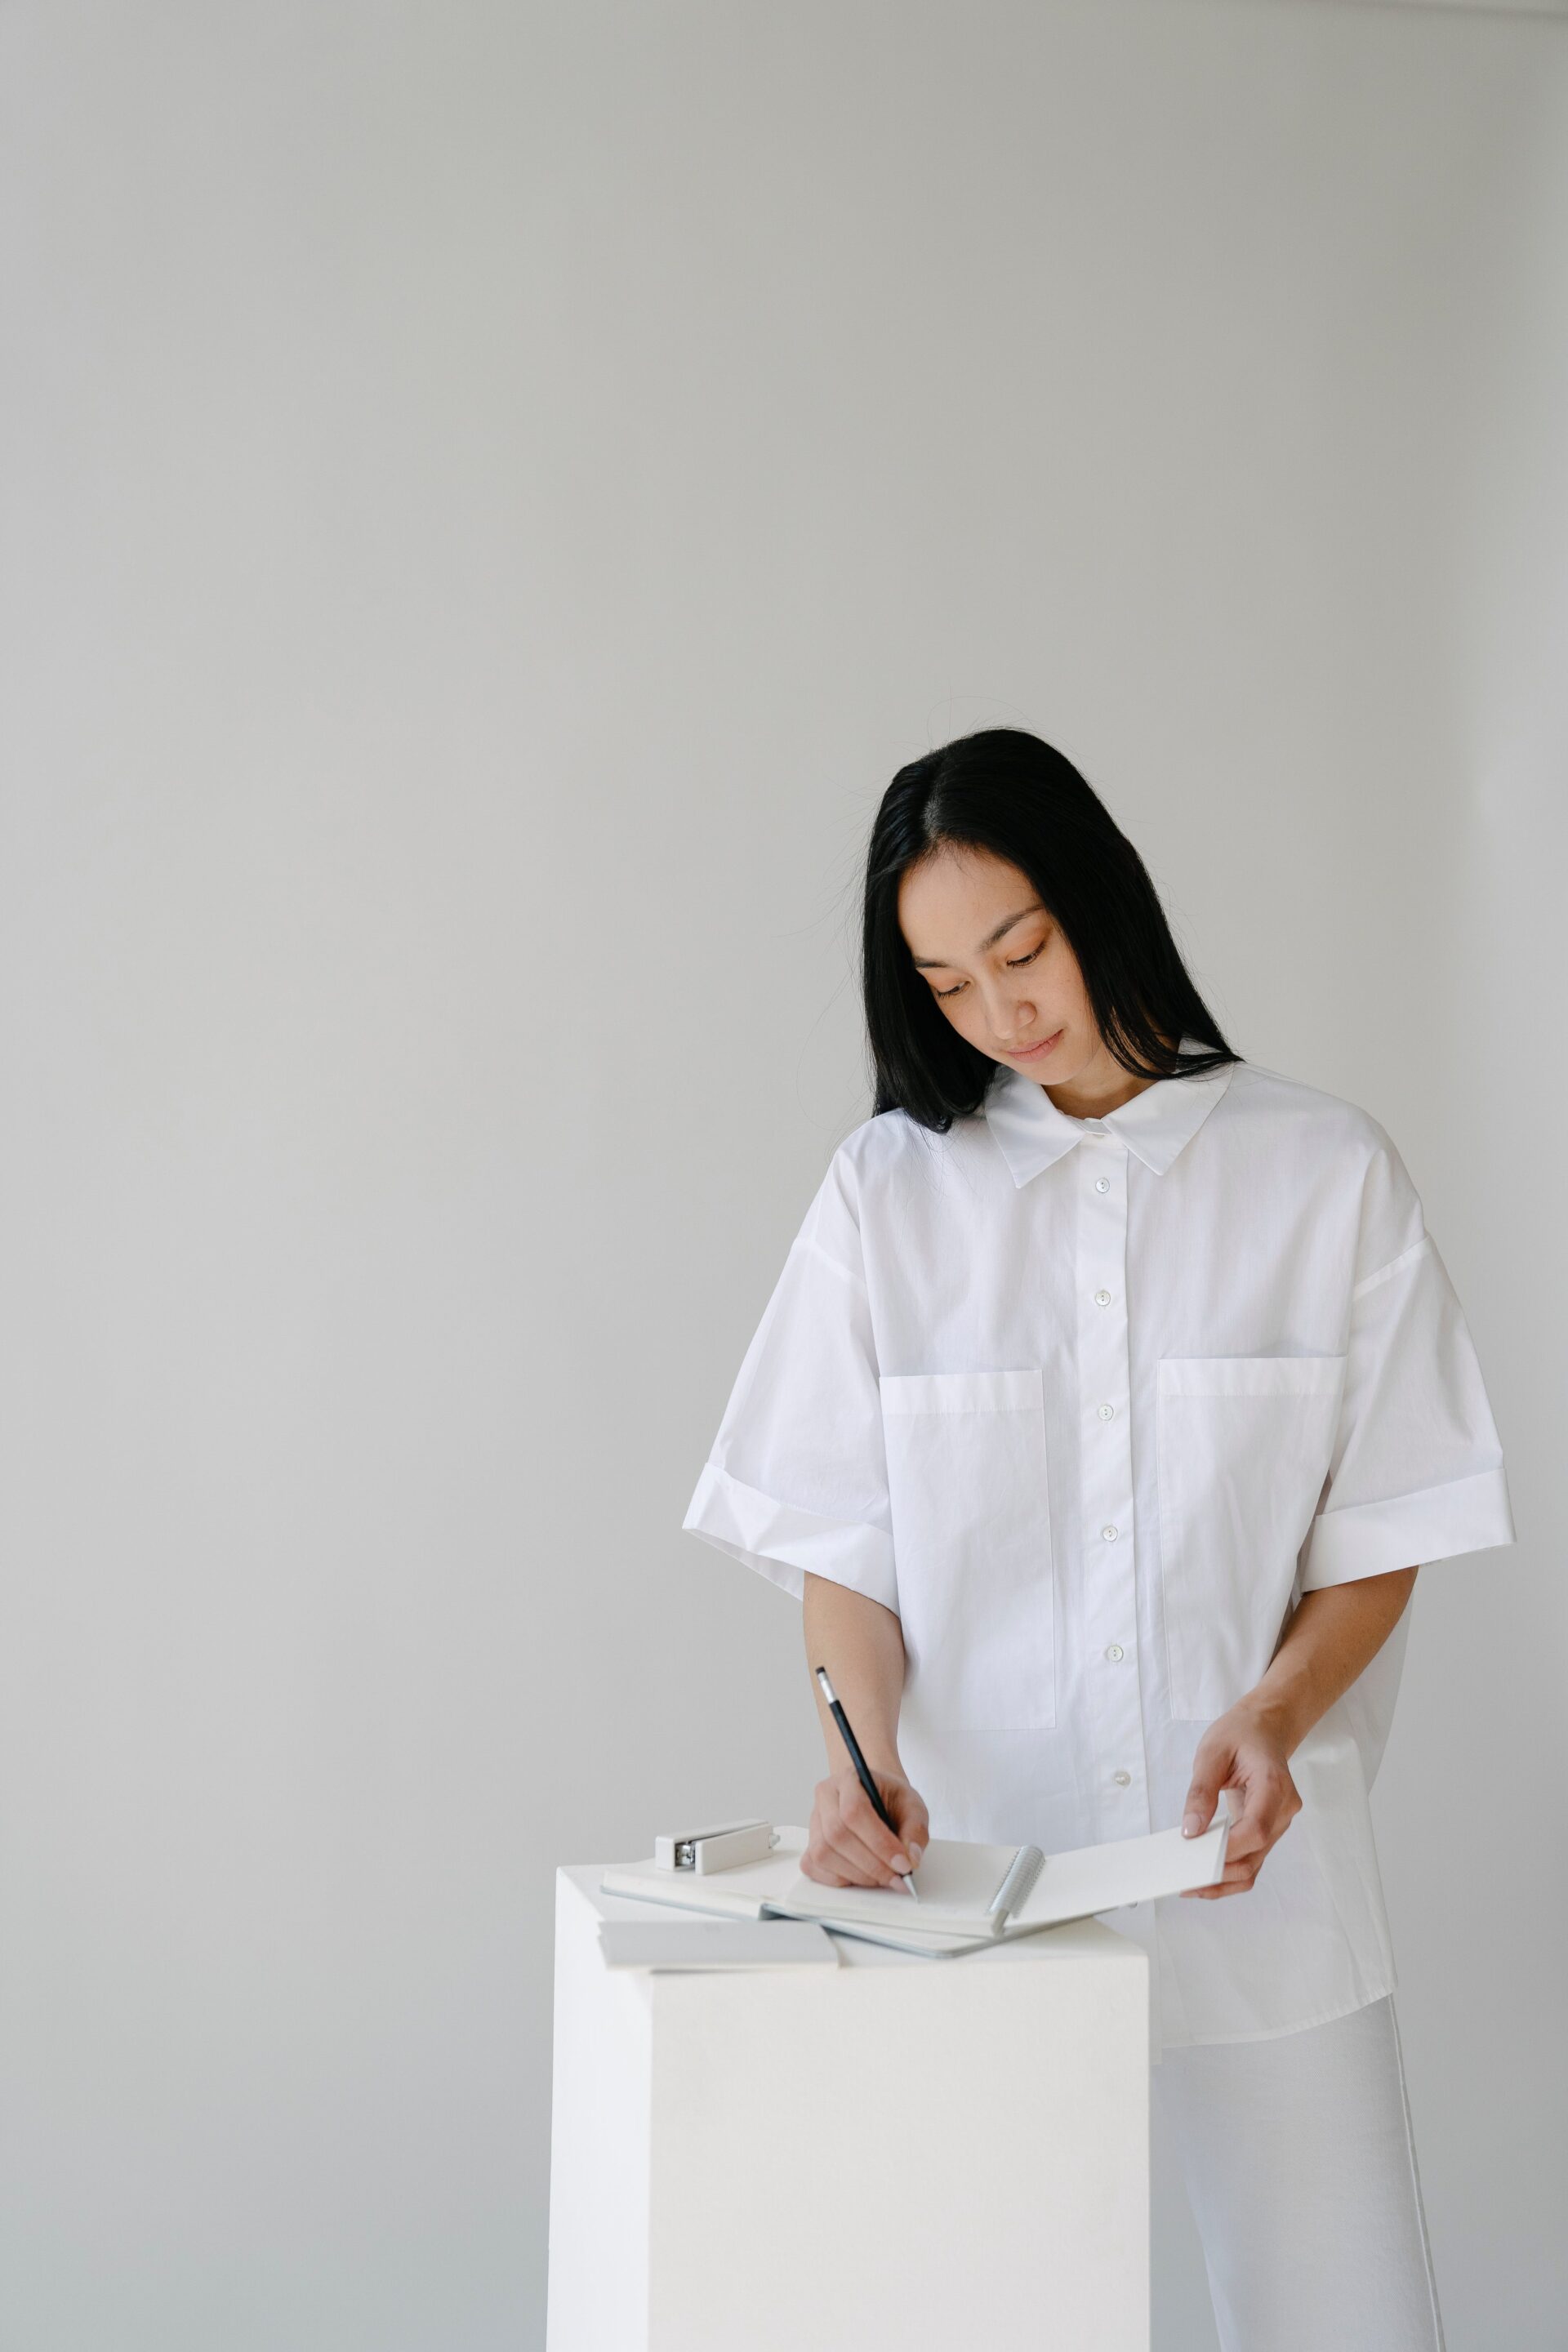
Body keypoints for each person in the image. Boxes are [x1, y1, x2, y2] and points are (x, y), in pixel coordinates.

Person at [679, 727, 1514, 2352]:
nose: (999, 1013)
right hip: (984, 1888)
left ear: (1100, 900)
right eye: (944, 982)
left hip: (1256, 1884)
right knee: (978, 2316)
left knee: (1338, 2321)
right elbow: (842, 1541)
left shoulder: (1321, 1171)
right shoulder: (887, 1196)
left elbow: (1384, 1520)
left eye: (1021, 949)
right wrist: (855, 1753)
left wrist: (1272, 1715)